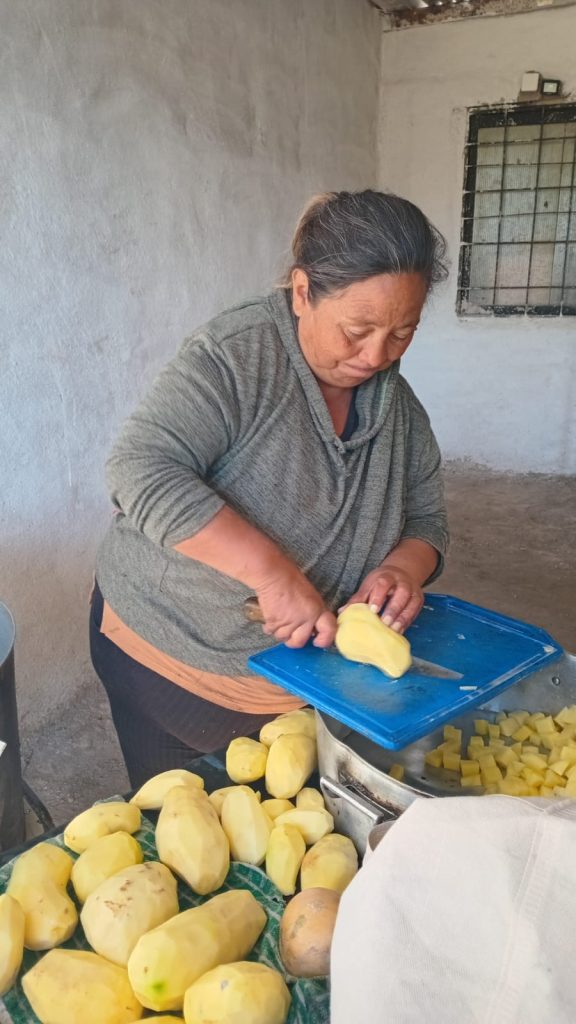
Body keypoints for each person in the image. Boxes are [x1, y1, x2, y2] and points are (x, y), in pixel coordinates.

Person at [90, 189, 449, 787]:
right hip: (173, 656)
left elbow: (428, 520)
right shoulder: (237, 357)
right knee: (191, 813)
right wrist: (274, 576)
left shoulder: (398, 406)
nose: (376, 356)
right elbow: (140, 467)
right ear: (303, 292)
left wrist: (403, 570)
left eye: (402, 333)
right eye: (357, 330)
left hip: (309, 678)